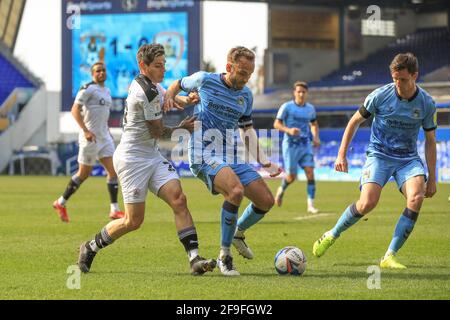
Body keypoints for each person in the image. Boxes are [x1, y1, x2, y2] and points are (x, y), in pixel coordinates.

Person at [77, 44, 216, 276]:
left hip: (150, 155)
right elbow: (158, 132)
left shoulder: (148, 83)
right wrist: (183, 128)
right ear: (144, 66)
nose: (163, 69)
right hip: (132, 160)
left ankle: (194, 259)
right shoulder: (146, 92)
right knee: (133, 221)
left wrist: (186, 100)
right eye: (158, 66)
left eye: (164, 65)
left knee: (179, 199)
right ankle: (90, 247)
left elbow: (167, 97)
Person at [164, 46, 282, 276]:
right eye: (242, 72)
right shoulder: (204, 80)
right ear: (229, 67)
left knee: (266, 201)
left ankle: (238, 233)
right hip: (202, 152)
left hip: (231, 154)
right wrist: (171, 98)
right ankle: (225, 256)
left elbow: (247, 131)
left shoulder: (246, 96)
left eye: (250, 73)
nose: (246, 78)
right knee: (235, 191)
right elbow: (177, 84)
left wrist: (265, 162)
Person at [312, 53, 437, 269]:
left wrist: (432, 178)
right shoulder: (379, 95)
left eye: (404, 79)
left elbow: (430, 141)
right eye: (395, 78)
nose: (398, 84)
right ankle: (332, 234)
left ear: (415, 76)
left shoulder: (427, 103)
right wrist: (341, 154)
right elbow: (354, 122)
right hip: (379, 154)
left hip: (407, 159)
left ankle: (389, 255)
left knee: (416, 197)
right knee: (367, 203)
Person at [53, 62, 125, 222]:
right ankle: (60, 202)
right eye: (98, 71)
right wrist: (85, 130)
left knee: (113, 172)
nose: (101, 73)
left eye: (103, 70)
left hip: (104, 137)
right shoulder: (88, 88)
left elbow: (102, 115)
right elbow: (74, 109)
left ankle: (114, 209)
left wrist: (107, 132)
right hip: (89, 137)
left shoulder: (107, 91)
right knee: (83, 174)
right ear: (93, 74)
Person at [274, 81, 321, 214]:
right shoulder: (286, 107)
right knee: (291, 177)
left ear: (307, 93)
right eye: (298, 91)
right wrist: (288, 130)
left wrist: (316, 137)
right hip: (290, 145)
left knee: (310, 173)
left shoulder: (310, 108)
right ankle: (281, 190)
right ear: (294, 93)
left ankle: (310, 205)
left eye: (303, 92)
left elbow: (314, 124)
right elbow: (276, 124)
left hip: (305, 145)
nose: (301, 94)